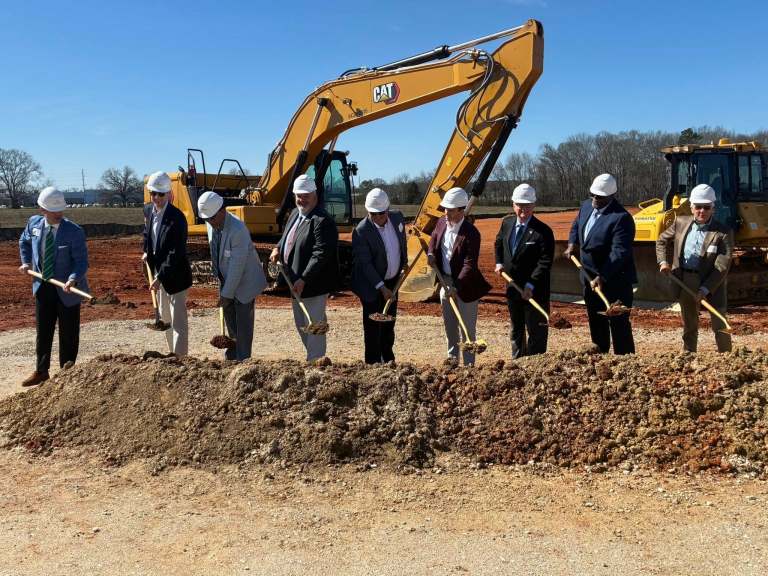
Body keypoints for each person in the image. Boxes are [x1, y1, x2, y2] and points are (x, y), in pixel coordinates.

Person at [18, 186, 89, 386]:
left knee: (68, 333)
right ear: (42, 210)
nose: (58, 214)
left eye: (60, 210)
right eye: (53, 211)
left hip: (67, 288)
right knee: (44, 331)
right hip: (42, 285)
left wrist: (73, 278)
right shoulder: (33, 224)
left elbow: (81, 261)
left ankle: (66, 374)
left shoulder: (74, 231)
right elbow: (24, 241)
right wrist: (25, 262)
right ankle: (41, 371)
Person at [564, 173, 637, 355]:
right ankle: (600, 358)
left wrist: (602, 276)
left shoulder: (621, 218)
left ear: (611, 196)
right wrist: (572, 243)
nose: (595, 199)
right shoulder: (586, 206)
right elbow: (576, 225)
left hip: (615, 281)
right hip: (590, 278)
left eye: (600, 197)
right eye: (593, 195)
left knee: (619, 325)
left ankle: (625, 364)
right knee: (596, 323)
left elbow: (619, 253)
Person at [269, 174, 339, 361]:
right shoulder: (294, 213)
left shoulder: (322, 220)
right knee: (301, 323)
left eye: (306, 195)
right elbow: (286, 237)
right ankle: (313, 358)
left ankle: (316, 361)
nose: (302, 199)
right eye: (299, 195)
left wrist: (304, 278)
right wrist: (277, 247)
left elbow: (320, 254)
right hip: (295, 282)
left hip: (313, 283)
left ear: (315, 194)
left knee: (315, 324)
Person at [656, 183, 733, 352]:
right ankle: (689, 355)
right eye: (698, 207)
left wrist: (705, 289)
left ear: (713, 208)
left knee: (719, 323)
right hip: (685, 280)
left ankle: (727, 358)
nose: (702, 212)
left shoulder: (723, 232)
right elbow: (661, 240)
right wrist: (663, 262)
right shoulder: (680, 223)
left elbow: (722, 265)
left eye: (706, 208)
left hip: (713, 283)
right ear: (691, 207)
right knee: (690, 324)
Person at [198, 191, 267, 360]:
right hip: (226, 280)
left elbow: (237, 267)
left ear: (222, 210)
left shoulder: (238, 230)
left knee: (243, 326)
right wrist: (224, 290)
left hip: (245, 282)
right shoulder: (212, 223)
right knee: (230, 321)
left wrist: (227, 295)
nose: (210, 223)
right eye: (206, 219)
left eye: (212, 219)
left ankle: (243, 360)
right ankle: (232, 355)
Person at [427, 187, 491, 366]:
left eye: (450, 210)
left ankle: (469, 366)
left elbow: (469, 264)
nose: (446, 213)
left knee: (467, 330)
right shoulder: (441, 222)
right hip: (445, 279)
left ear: (461, 210)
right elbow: (433, 238)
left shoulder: (471, 233)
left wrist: (457, 287)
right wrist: (431, 253)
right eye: (445, 209)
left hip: (466, 285)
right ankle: (452, 362)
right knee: (450, 328)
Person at [494, 183, 554, 358]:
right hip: (513, 288)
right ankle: (517, 363)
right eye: (519, 205)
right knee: (517, 328)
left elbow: (545, 262)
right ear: (513, 205)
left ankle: (535, 366)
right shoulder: (507, 223)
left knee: (536, 332)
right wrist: (499, 263)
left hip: (535, 290)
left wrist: (530, 284)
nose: (523, 209)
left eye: (527, 205)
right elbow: (499, 243)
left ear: (534, 205)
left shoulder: (543, 232)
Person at [351, 188, 407, 364]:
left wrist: (404, 264)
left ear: (388, 210)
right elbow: (366, 265)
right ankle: (373, 364)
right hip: (371, 285)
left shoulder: (397, 218)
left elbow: (401, 242)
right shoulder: (361, 231)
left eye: (381, 214)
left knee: (389, 323)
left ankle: (388, 360)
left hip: (392, 282)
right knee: (373, 327)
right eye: (373, 214)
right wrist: (382, 288)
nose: (377, 218)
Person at [142, 171, 192, 356]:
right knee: (165, 318)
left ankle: (180, 360)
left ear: (169, 194)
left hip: (176, 276)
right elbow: (147, 234)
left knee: (178, 321)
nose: (156, 198)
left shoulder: (177, 218)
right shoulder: (148, 210)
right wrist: (146, 251)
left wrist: (160, 277)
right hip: (159, 274)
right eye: (153, 193)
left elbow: (176, 253)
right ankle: (172, 354)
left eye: (160, 194)